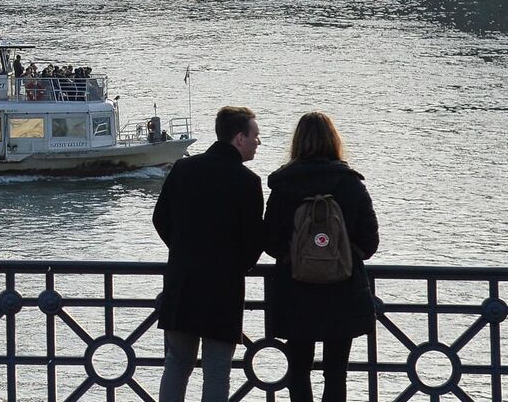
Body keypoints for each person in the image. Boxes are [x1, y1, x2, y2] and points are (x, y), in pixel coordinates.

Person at [262, 111, 380, 402]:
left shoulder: (283, 185)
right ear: (333, 141)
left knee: (299, 371)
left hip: (295, 292)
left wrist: (292, 256)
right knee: (336, 374)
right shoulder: (351, 184)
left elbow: (270, 241)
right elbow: (370, 241)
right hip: (343, 291)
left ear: (297, 142)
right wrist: (345, 253)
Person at [153, 106, 264, 402]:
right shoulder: (248, 182)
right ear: (239, 138)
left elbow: (160, 218)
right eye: (255, 135)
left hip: (182, 283)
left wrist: (183, 250)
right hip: (223, 289)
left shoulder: (184, 168)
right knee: (216, 372)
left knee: (176, 365)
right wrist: (235, 264)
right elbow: (254, 242)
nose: (258, 142)